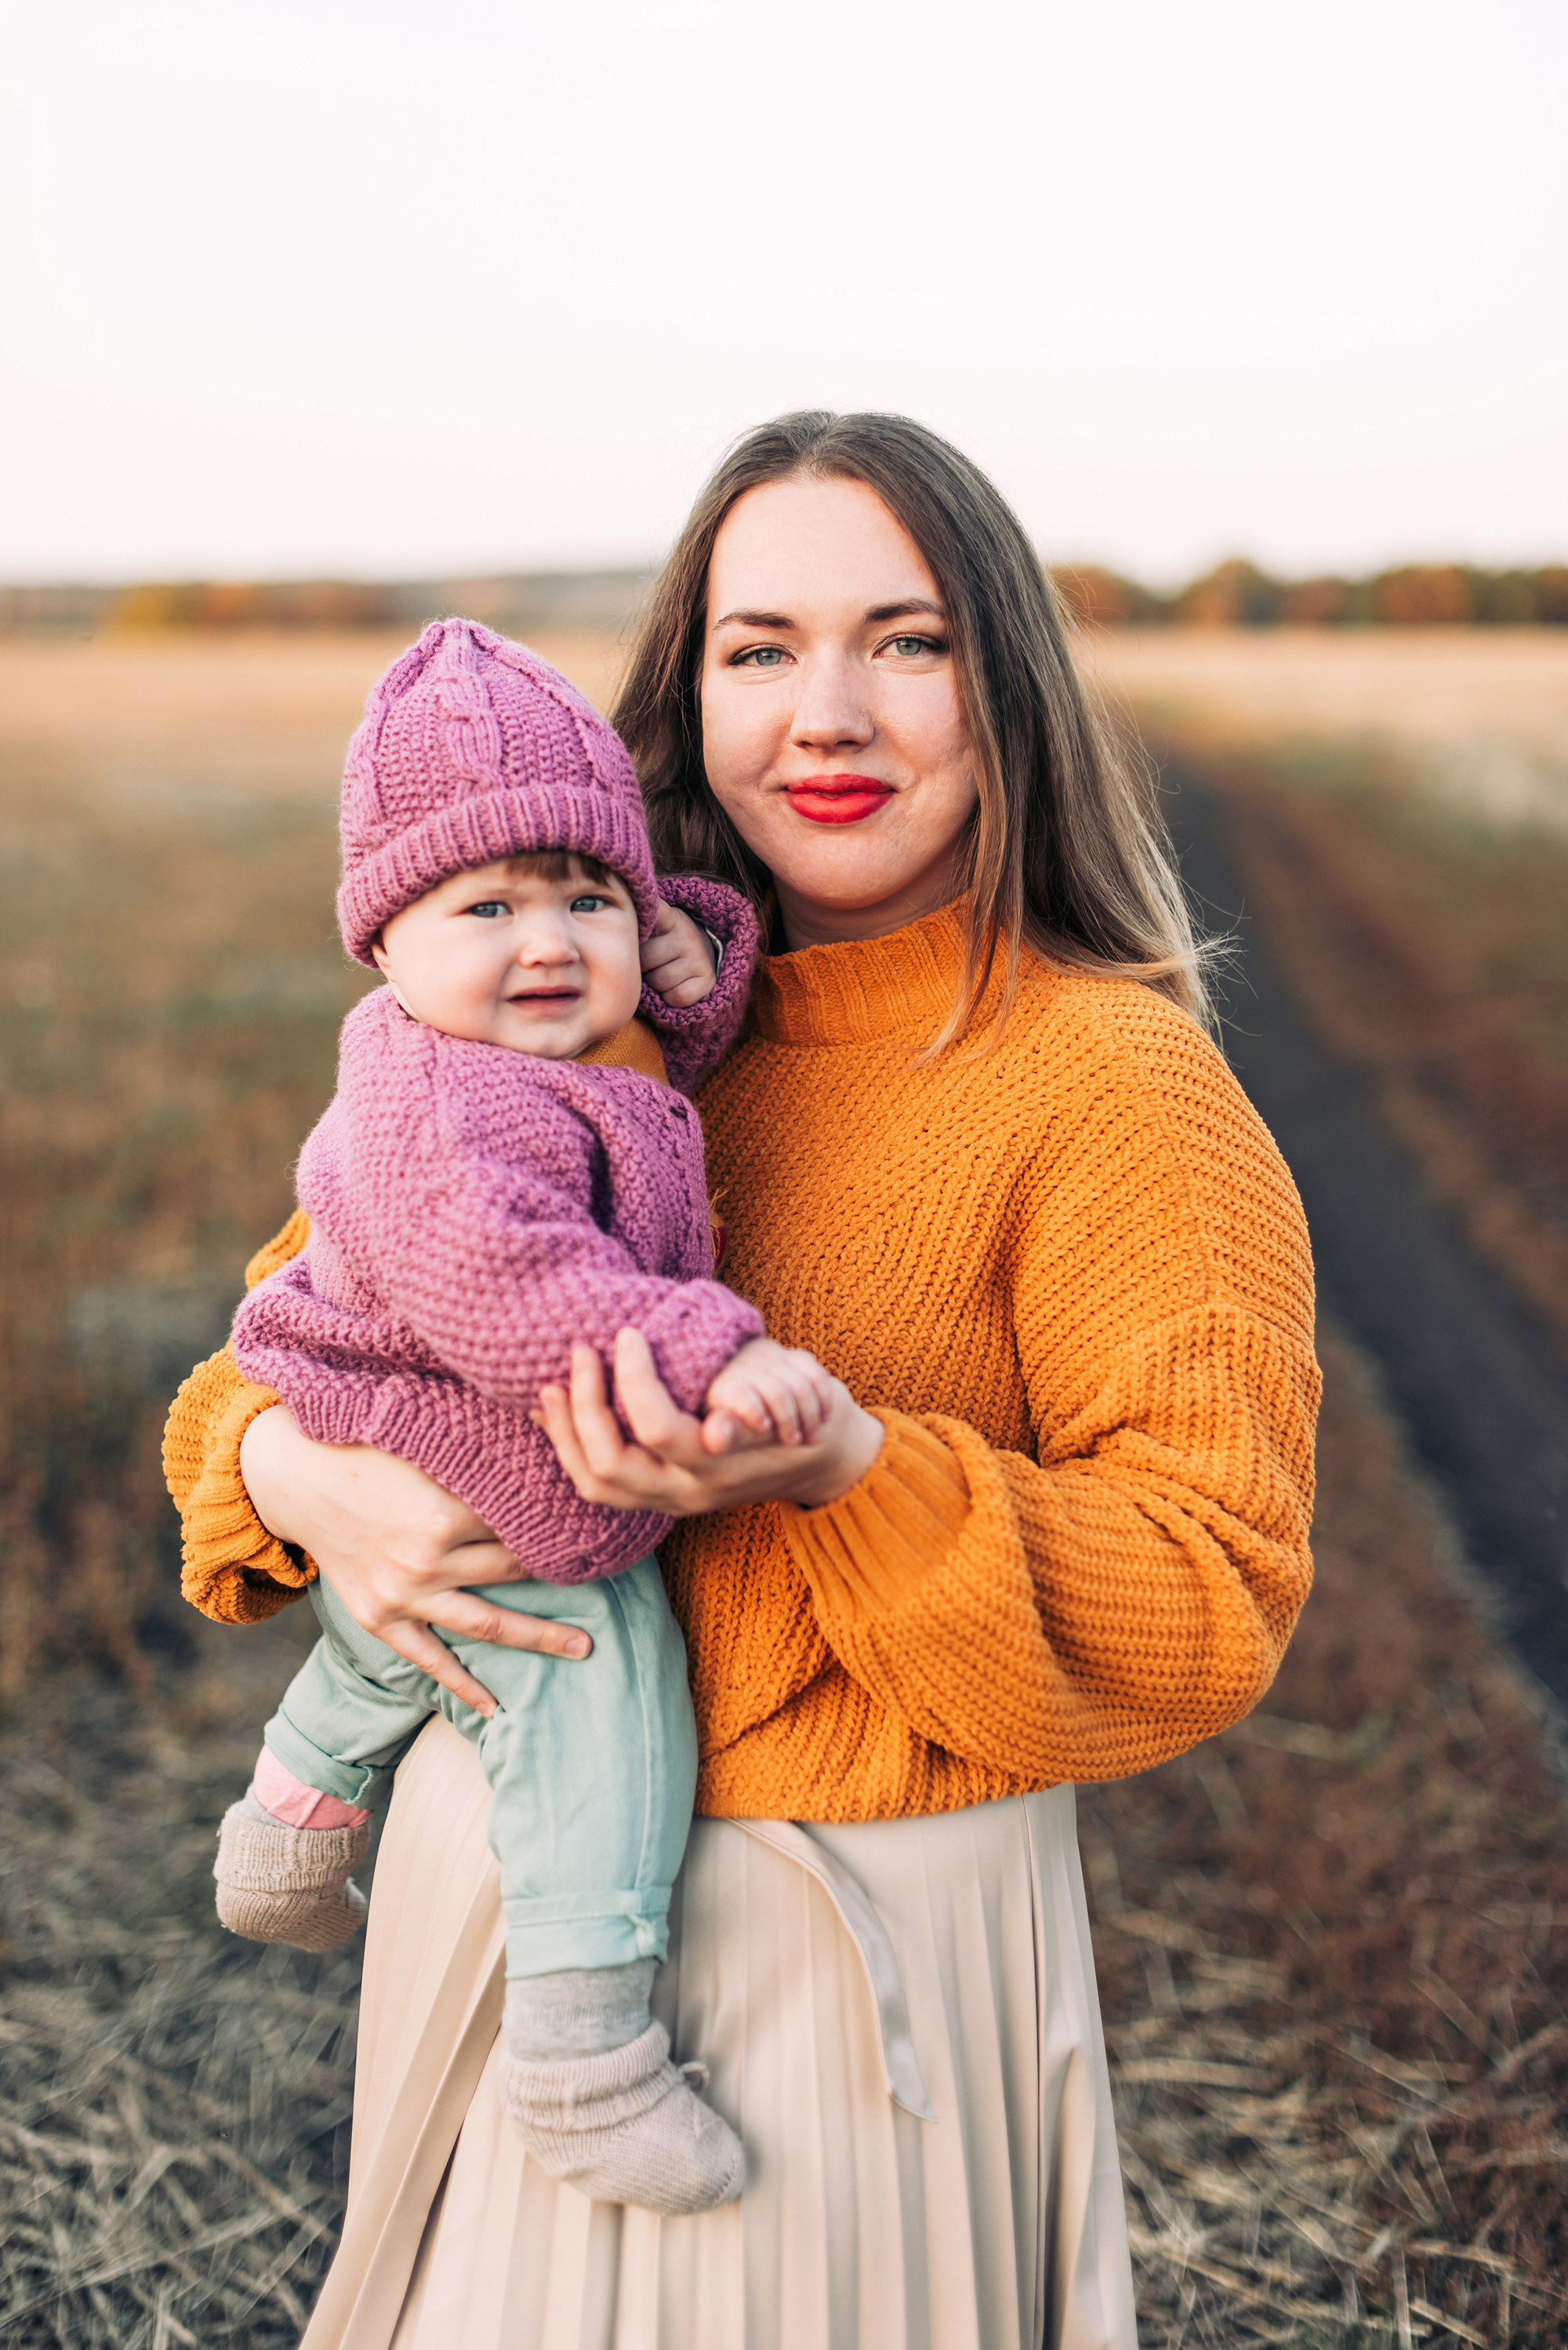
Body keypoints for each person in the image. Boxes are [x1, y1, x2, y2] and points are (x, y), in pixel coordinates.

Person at [165, 410, 1319, 2350]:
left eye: (910, 639)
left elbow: (1211, 1585)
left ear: (1006, 683)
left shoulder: (1109, 1085)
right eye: (760, 646)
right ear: (683, 693)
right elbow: (275, 1341)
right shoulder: (579, 1005)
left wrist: (846, 1468)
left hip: (840, 1980)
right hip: (493, 1893)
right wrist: (303, 1484)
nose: (829, 715)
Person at [212, 616, 838, 2217]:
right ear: (383, 941)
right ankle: (581, 2058)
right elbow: (517, 1269)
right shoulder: (427, 1112)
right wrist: (704, 1349)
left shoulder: (506, 1033)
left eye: (587, 894)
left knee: (401, 1615)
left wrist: (683, 957)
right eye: (485, 902)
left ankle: (291, 1813)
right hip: (425, 1390)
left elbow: (619, 1093)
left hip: (399, 1403)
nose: (546, 938)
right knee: (590, 1647)